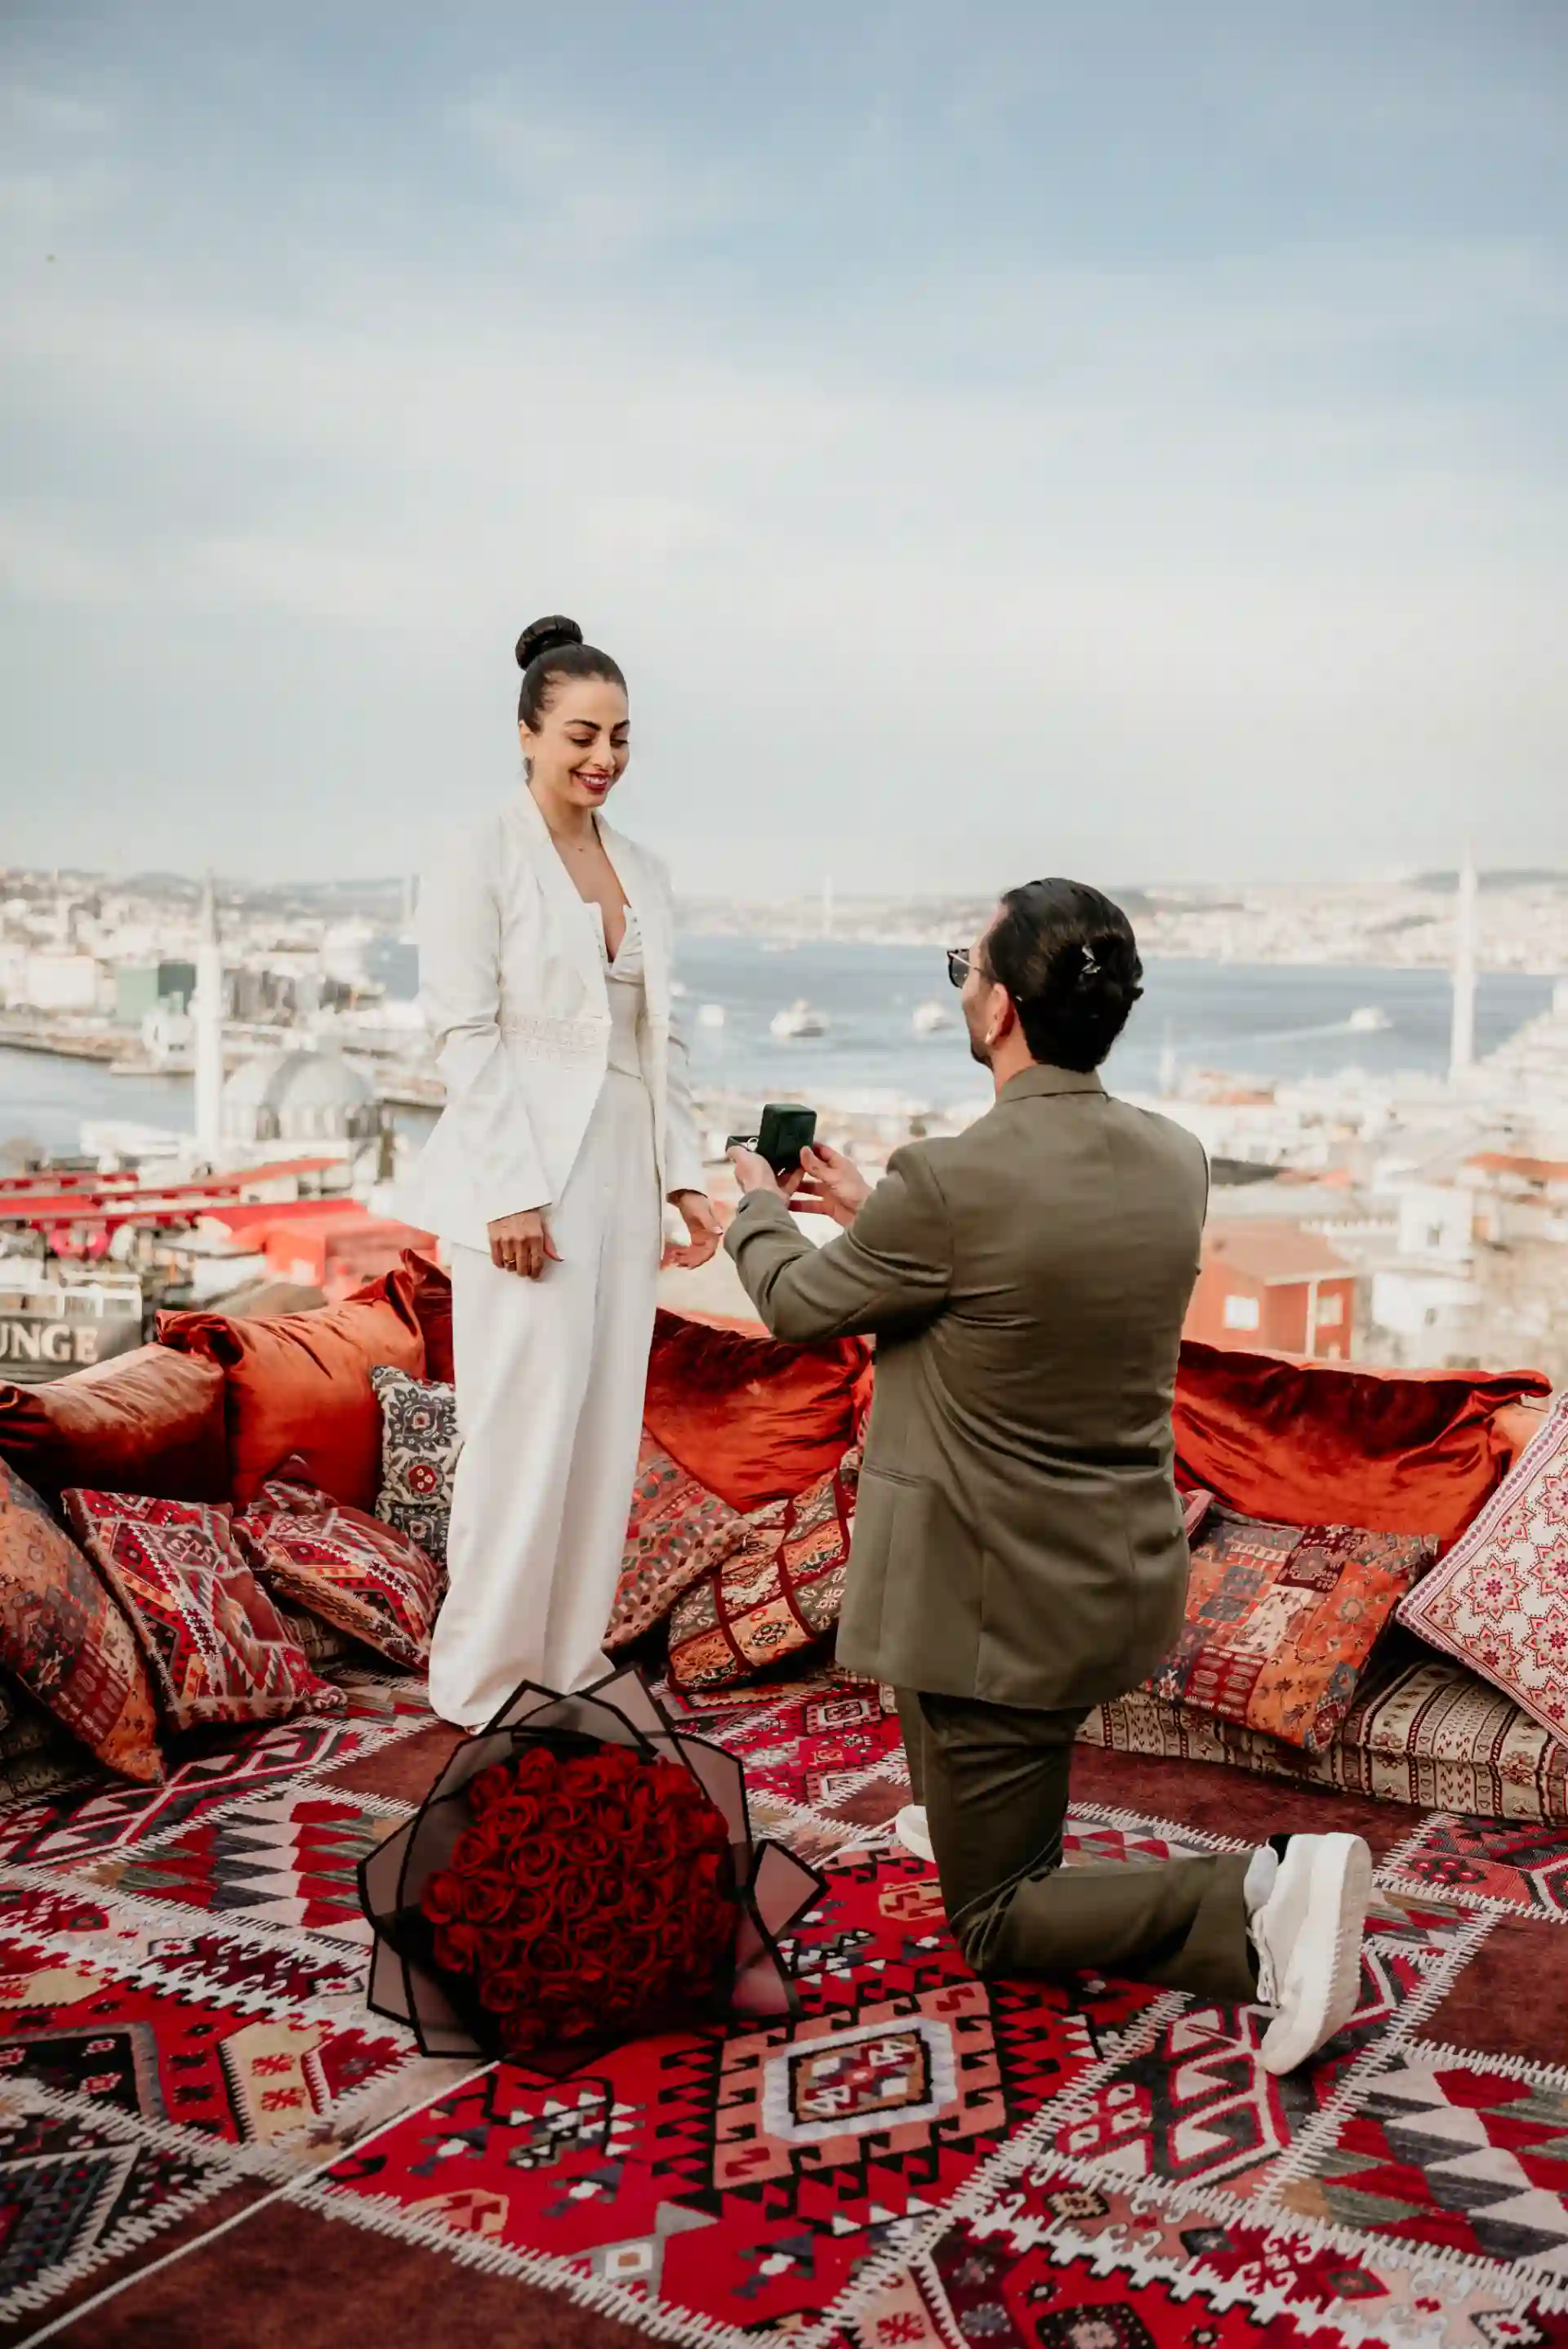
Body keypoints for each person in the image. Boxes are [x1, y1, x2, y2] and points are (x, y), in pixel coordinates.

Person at [725, 879, 1370, 2075]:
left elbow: (794, 1304)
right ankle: (958, 1816)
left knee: (998, 1918)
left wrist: (752, 1210)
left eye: (963, 968)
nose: (961, 987)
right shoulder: (1174, 1160)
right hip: (1117, 1576)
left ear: (1005, 1009)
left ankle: (1253, 1901)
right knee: (949, 1734)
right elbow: (1023, 1277)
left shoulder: (952, 1182)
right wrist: (876, 1212)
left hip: (996, 1612)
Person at [404, 615, 720, 1727]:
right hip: (522, 1175)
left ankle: (569, 1663)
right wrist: (509, 1191)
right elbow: (465, 1032)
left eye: (624, 737)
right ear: (528, 734)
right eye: (584, 733)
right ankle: (483, 1680)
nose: (607, 757)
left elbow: (657, 1037)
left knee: (598, 1426)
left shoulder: (645, 867)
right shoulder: (474, 856)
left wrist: (684, 1179)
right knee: (520, 1427)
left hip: (624, 1175)